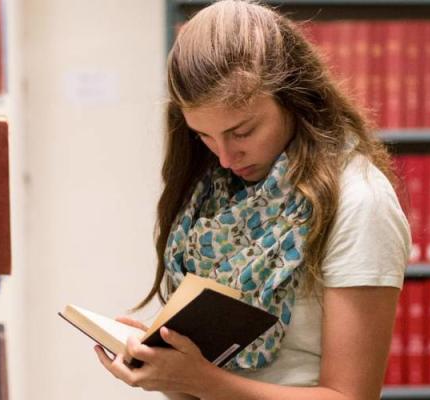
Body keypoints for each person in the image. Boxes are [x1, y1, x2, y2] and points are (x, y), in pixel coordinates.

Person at [93, 1, 411, 399]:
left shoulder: (360, 201)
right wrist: (165, 358)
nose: (225, 157)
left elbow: (351, 396)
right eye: (204, 136)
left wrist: (200, 380)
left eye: (242, 131)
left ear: (294, 97)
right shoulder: (213, 191)